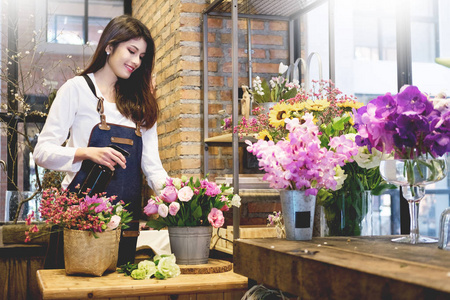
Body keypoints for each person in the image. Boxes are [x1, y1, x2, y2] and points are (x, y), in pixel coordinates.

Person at [34, 15, 168, 266]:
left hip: (125, 225)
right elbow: (41, 152)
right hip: (79, 225)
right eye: (131, 51)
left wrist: (180, 199)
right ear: (109, 46)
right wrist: (87, 153)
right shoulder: (76, 90)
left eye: (141, 56)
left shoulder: (140, 104)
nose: (136, 61)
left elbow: (153, 168)